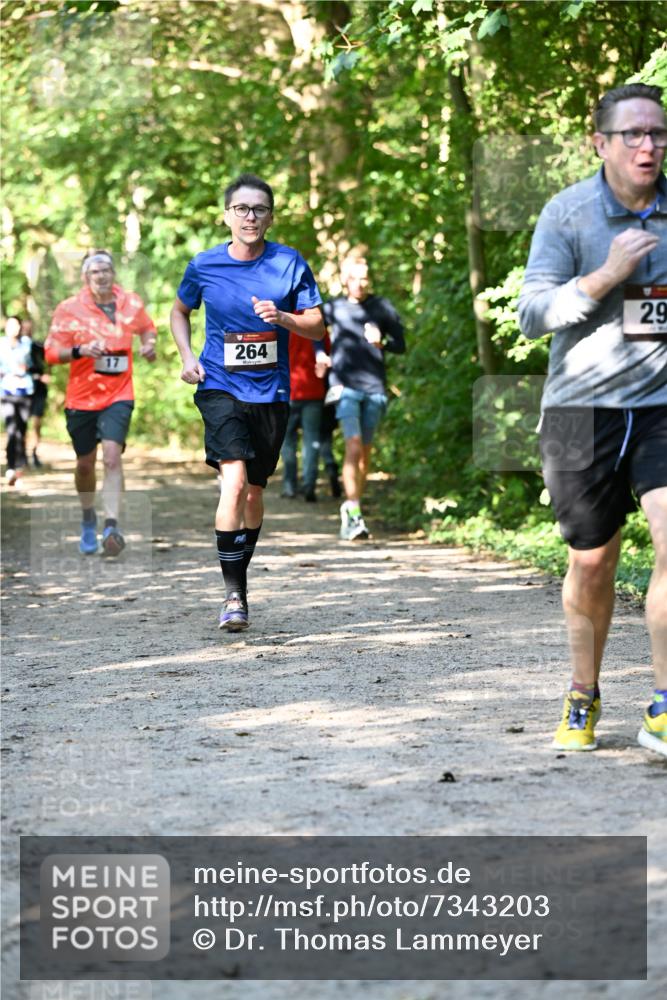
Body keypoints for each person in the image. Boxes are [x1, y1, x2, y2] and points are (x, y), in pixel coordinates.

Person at [518, 82, 667, 758]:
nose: (648, 145)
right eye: (633, 134)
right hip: (580, 410)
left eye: (658, 134)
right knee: (592, 561)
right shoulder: (568, 214)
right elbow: (530, 315)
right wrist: (604, 276)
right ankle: (583, 691)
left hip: (662, 405)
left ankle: (663, 705)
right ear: (599, 142)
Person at [170, 173, 325, 633]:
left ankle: (240, 573)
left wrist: (283, 318)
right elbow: (180, 310)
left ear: (270, 216)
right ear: (226, 216)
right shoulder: (205, 265)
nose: (250, 216)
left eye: (259, 209)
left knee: (255, 493)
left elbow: (317, 325)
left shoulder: (289, 262)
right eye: (241, 209)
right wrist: (186, 355)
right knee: (233, 483)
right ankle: (233, 594)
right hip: (219, 384)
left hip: (271, 393)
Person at [44, 250, 157, 556]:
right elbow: (51, 352)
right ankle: (87, 517)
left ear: (113, 273)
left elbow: (147, 327)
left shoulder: (131, 303)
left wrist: (149, 344)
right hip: (81, 397)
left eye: (106, 269)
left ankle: (111, 526)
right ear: (85, 277)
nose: (102, 275)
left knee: (111, 457)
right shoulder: (69, 309)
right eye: (95, 272)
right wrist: (79, 350)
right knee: (85, 464)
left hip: (119, 393)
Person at [322, 254, 405, 540]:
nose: (360, 283)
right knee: (353, 446)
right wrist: (321, 355)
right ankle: (354, 510)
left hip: (374, 388)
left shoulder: (381, 307)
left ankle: (353, 508)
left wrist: (383, 341)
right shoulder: (332, 307)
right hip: (344, 387)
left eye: (365, 278)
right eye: (355, 278)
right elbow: (313, 335)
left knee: (365, 455)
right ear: (345, 280)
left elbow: (401, 344)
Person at [280, 331, 330, 502]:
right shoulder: (317, 328)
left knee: (287, 440)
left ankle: (289, 485)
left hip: (288, 392)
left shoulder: (282, 323)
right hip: (314, 391)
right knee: (311, 440)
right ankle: (309, 484)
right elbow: (327, 357)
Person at [0, 315, 34, 488]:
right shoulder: (1, 344)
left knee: (21, 430)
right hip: (6, 392)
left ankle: (19, 469)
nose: (14, 328)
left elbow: (34, 363)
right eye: (10, 325)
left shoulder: (28, 343)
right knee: (11, 430)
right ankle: (11, 467)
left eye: (17, 325)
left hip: (25, 391)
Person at [23, 318, 50, 468]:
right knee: (22, 423)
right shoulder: (16, 347)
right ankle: (22, 453)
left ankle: (34, 451)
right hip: (22, 390)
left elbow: (50, 356)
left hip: (39, 389)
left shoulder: (38, 345)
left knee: (37, 422)